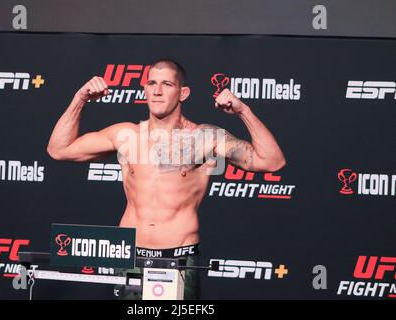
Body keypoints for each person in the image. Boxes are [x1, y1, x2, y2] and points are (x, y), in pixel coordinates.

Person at [47, 59, 286, 299]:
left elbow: (272, 161)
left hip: (178, 257)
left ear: (183, 93)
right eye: (151, 83)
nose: (157, 91)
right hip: (130, 255)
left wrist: (243, 111)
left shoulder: (204, 138)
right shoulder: (126, 134)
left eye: (166, 84)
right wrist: (80, 99)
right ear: (145, 89)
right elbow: (59, 149)